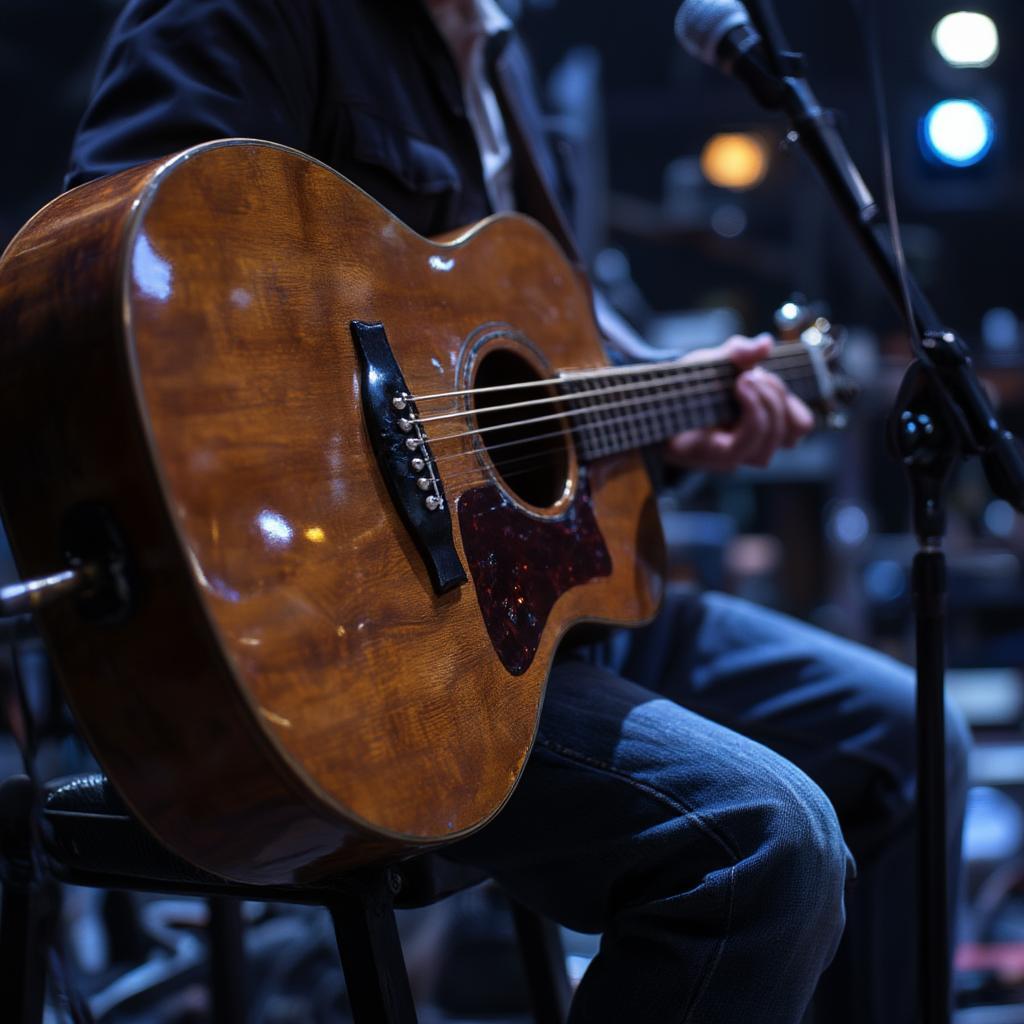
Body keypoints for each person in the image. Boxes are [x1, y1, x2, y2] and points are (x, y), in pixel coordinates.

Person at [65, 1, 971, 1021]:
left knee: (908, 740)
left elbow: (518, 406)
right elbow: (102, 275)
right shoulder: (266, 12)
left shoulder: (502, 61)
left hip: (542, 617)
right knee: (764, 841)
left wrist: (678, 428)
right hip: (365, 645)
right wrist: (362, 445)